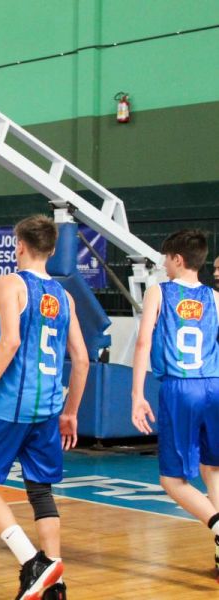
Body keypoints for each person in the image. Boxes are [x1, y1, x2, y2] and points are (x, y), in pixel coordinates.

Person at [0, 215, 88, 600]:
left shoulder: (10, 282)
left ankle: (33, 563)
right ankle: (55, 587)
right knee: (40, 490)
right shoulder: (65, 296)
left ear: (20, 246)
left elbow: (9, 341)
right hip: (48, 406)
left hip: (12, 405)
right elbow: (80, 360)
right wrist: (71, 412)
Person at [131, 229, 219, 579]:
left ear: (177, 259)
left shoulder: (159, 292)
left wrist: (137, 395)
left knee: (172, 480)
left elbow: (142, 345)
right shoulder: (215, 298)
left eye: (165, 257)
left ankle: (217, 525)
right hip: (213, 385)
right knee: (213, 468)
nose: (163, 264)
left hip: (179, 388)